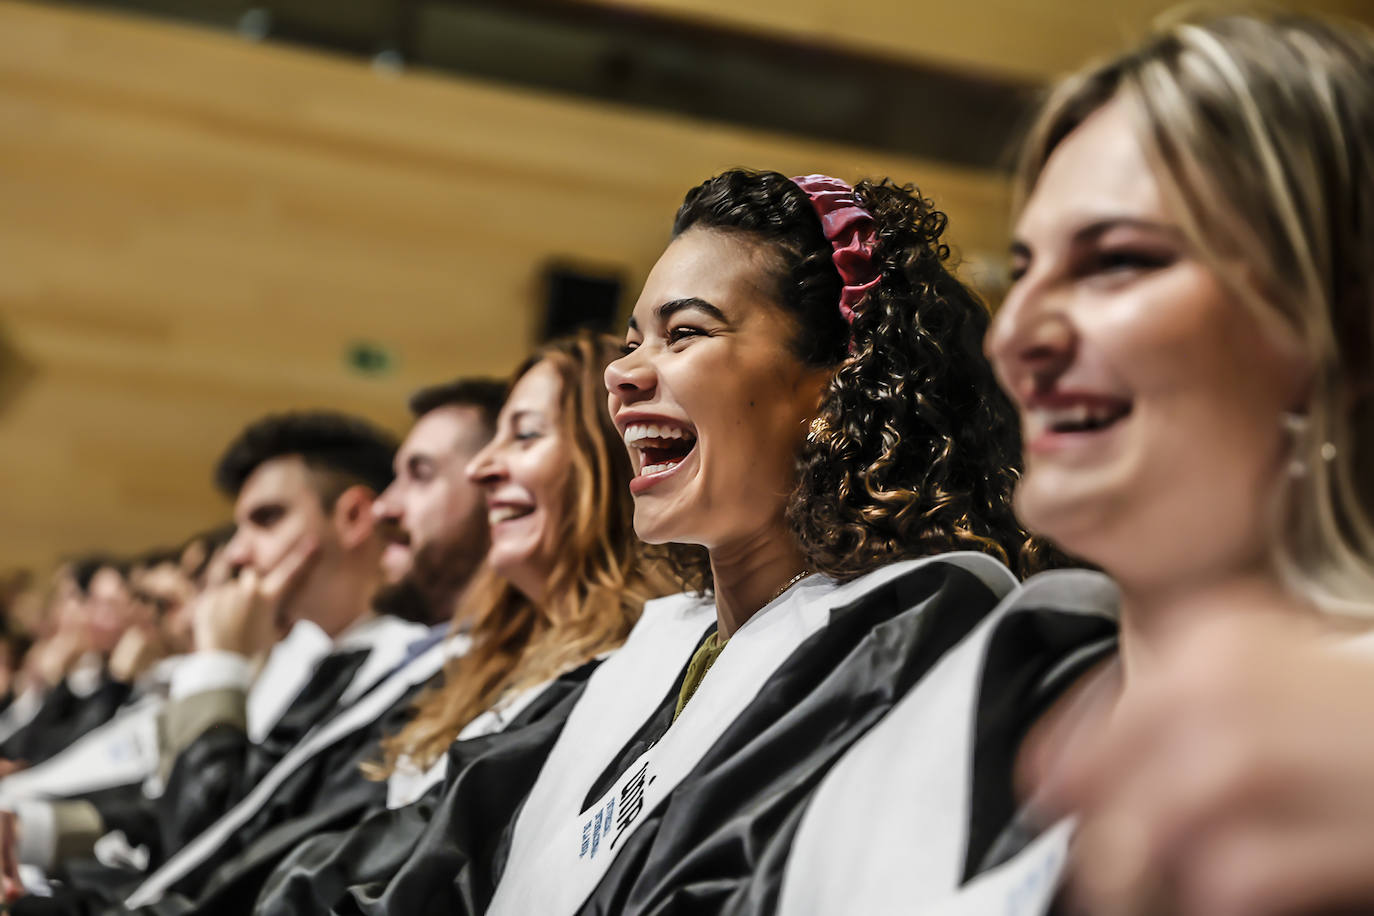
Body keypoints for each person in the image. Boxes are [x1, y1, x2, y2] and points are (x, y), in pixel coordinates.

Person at [444, 167, 1060, 916]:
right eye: (632, 342)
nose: (622, 374)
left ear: (837, 379)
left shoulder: (902, 650)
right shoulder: (655, 652)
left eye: (685, 333)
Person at [867, 12, 1373, 916]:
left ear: (1345, 324)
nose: (1016, 337)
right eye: (1024, 269)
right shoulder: (984, 696)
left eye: (1118, 262)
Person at [253, 332, 672, 916]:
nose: (482, 469)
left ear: (604, 458)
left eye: (525, 435)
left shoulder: (643, 668)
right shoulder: (487, 662)